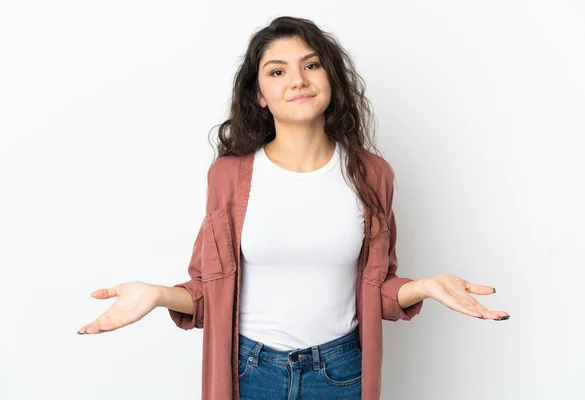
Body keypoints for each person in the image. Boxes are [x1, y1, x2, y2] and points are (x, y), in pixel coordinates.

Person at [77, 16, 510, 400]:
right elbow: (211, 291)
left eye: (311, 65)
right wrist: (155, 295)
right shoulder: (228, 177)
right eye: (278, 71)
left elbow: (377, 288)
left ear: (331, 78)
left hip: (340, 373)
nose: (298, 80)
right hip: (249, 372)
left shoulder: (372, 174)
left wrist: (426, 287)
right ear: (260, 95)